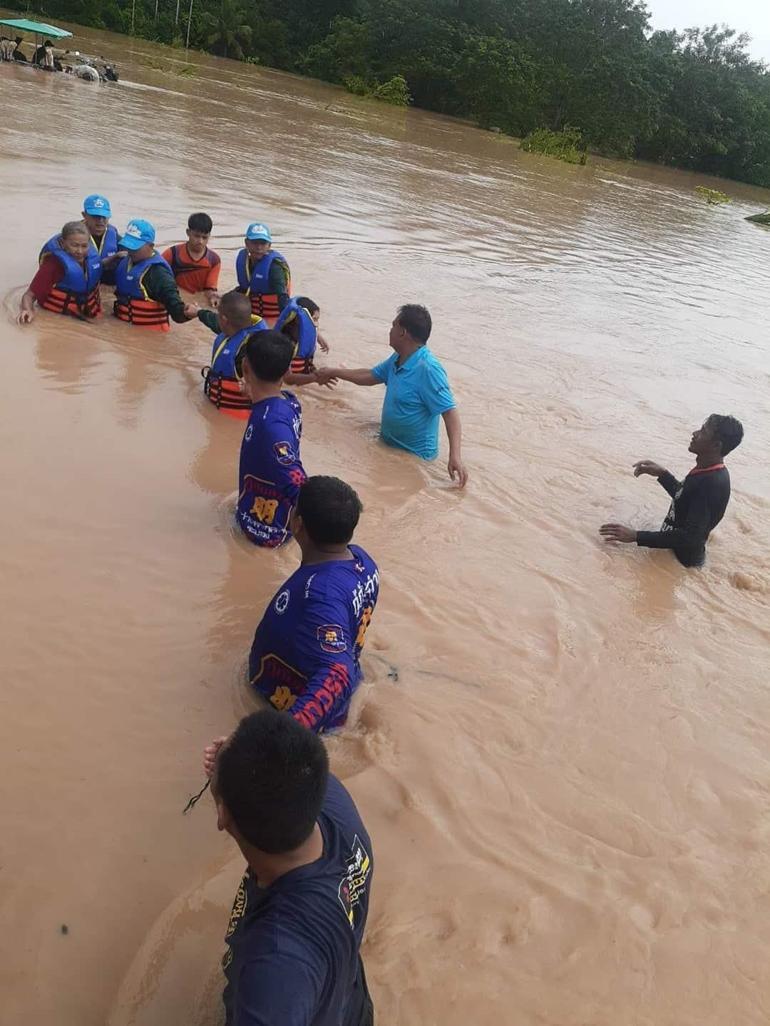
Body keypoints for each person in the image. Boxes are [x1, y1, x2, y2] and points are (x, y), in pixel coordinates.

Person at [203, 710, 375, 1026]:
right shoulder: (327, 801)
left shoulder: (276, 964)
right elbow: (281, 766)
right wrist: (240, 757)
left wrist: (231, 772)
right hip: (347, 1003)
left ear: (223, 816)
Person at [248, 475, 380, 733]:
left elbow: (337, 674)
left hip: (295, 712)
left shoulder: (322, 594)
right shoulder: (363, 561)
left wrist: (280, 737)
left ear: (297, 524)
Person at [317, 304, 468, 487]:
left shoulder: (428, 369)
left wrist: (455, 456)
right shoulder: (397, 358)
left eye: (393, 325)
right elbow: (370, 376)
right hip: (389, 449)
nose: (390, 330)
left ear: (402, 332)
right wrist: (334, 372)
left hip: (414, 461)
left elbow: (450, 412)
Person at [599, 414, 744, 567]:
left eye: (703, 432)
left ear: (716, 446)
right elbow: (684, 497)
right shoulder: (705, 469)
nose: (694, 434)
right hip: (669, 552)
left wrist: (636, 536)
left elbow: (690, 538)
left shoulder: (712, 483)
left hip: (681, 563)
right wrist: (663, 475)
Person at [236, 330, 306, 546]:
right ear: (287, 371)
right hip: (260, 513)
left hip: (264, 533)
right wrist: (250, 391)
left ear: (245, 367)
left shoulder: (270, 427)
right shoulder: (288, 401)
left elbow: (300, 487)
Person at [113, 219, 198, 331]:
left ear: (151, 246)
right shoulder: (125, 261)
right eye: (128, 245)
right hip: (123, 330)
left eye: (135, 247)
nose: (130, 250)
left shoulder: (159, 274)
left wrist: (189, 312)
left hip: (149, 335)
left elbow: (176, 311)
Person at [198, 290, 267, 418]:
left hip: (236, 417)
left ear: (224, 320)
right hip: (218, 411)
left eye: (217, 314)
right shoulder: (234, 331)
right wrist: (198, 312)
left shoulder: (250, 348)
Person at [19, 220, 102, 324]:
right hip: (62, 319)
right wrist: (27, 310)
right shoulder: (53, 264)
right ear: (63, 243)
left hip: (89, 315)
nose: (80, 251)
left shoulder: (91, 259)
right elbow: (29, 295)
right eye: (75, 245)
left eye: (84, 246)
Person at [161, 212, 221, 307]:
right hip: (175, 299)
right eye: (196, 236)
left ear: (209, 235)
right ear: (188, 232)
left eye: (204, 237)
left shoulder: (214, 260)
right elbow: (159, 278)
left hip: (197, 303)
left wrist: (212, 297)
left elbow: (210, 288)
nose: (200, 241)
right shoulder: (172, 254)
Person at [235, 222, 290, 322]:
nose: (259, 247)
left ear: (269, 245)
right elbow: (245, 289)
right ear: (247, 243)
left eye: (263, 243)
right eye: (255, 243)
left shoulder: (274, 268)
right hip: (253, 316)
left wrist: (285, 325)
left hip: (273, 318)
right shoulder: (246, 263)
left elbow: (282, 298)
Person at [275, 296, 331, 381]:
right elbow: (288, 378)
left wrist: (318, 336)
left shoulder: (300, 334)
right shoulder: (286, 343)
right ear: (299, 319)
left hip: (304, 375)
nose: (317, 324)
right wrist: (315, 378)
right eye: (314, 319)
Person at [81, 194, 122, 286]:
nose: (100, 221)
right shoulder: (72, 237)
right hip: (84, 283)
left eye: (104, 216)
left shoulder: (115, 237)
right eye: (96, 216)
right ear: (84, 215)